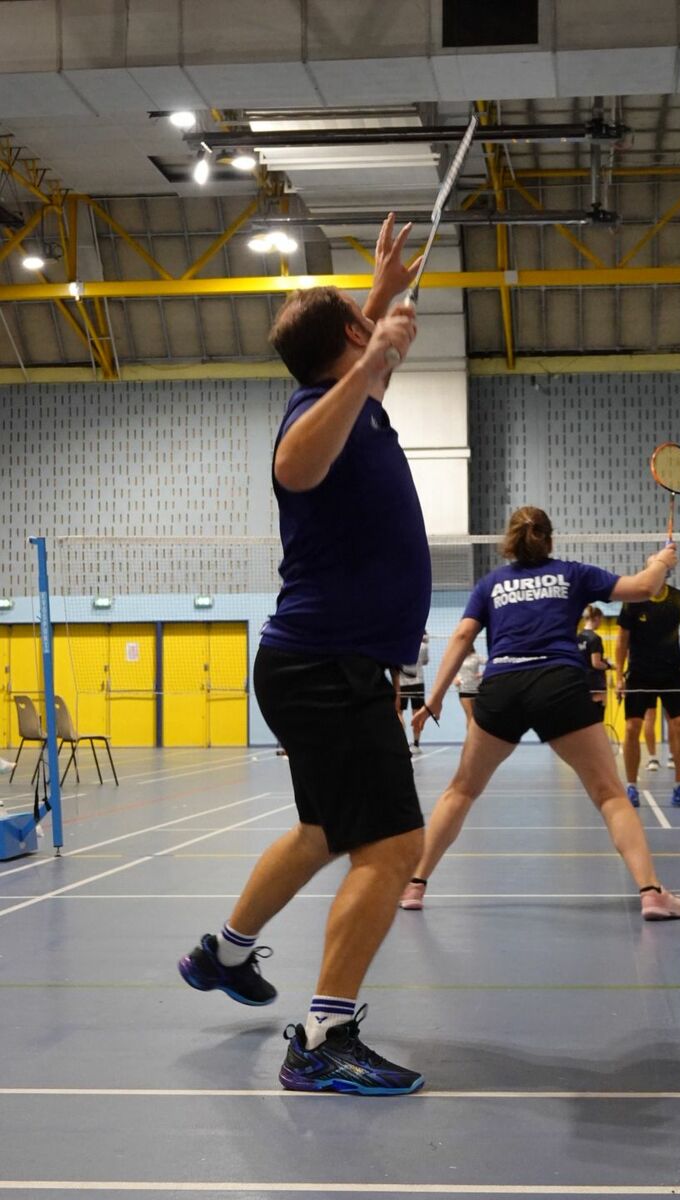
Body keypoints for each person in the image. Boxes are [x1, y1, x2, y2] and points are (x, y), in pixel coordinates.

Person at [178, 213, 430, 1096]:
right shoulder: (313, 417)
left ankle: (223, 954)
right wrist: (371, 347)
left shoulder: (356, 399)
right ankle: (324, 1038)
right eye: (363, 331)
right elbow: (293, 464)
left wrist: (381, 295)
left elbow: (359, 369)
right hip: (326, 666)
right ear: (349, 347)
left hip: (318, 664)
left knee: (325, 831)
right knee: (393, 846)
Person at [399, 506, 680, 921]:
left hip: (502, 687)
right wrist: (661, 562)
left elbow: (464, 634)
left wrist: (434, 698)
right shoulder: (573, 574)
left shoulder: (491, 584)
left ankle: (414, 885)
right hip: (559, 686)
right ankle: (651, 893)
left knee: (461, 791)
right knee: (610, 794)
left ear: (509, 542)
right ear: (550, 539)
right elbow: (645, 587)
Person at [615, 558, 680, 809]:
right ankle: (631, 787)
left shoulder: (679, 599)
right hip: (640, 673)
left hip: (671, 672)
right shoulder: (633, 600)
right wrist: (618, 676)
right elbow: (622, 639)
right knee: (632, 728)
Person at [577, 604, 612, 717]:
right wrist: (609, 665)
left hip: (581, 681)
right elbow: (596, 663)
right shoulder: (595, 638)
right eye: (601, 620)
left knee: (584, 716)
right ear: (596, 618)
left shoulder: (578, 637)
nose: (601, 623)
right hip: (596, 683)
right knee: (597, 715)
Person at [398, 631, 429, 753]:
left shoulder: (398, 646)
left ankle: (402, 743)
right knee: (417, 714)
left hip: (401, 684)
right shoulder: (423, 646)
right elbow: (425, 661)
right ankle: (416, 744)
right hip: (417, 684)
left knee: (398, 713)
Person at [455, 648, 485, 730]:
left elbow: (491, 663)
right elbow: (451, 670)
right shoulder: (458, 657)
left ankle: (476, 736)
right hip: (463, 688)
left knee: (476, 716)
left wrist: (482, 674)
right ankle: (470, 737)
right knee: (469, 715)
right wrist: (455, 679)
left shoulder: (476, 657)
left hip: (476, 688)